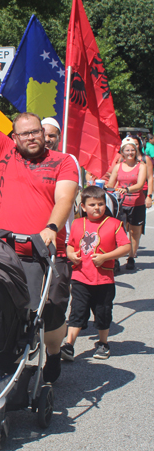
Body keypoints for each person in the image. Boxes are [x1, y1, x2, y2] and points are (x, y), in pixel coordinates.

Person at [0, 53, 79, 383]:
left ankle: (52, 354)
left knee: (50, 318)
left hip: (48, 253)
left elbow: (65, 198)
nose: (32, 137)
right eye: (25, 133)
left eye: (37, 132)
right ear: (15, 137)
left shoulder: (63, 161)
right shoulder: (4, 152)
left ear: (43, 133)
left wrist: (51, 227)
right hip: (7, 252)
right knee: (6, 313)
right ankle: (7, 360)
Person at [61, 186, 130, 361]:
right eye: (92, 204)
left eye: (100, 204)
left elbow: (126, 247)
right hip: (80, 277)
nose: (96, 208)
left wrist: (106, 257)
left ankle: (103, 342)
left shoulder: (114, 224)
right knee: (77, 311)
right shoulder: (77, 224)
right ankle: (69, 345)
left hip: (104, 279)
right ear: (83, 206)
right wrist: (70, 254)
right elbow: (70, 244)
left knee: (103, 312)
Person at [106, 137, 147, 270]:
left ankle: (131, 257)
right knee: (119, 232)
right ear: (122, 152)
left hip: (137, 203)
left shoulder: (142, 166)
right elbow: (111, 184)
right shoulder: (118, 166)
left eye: (132, 150)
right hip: (121, 204)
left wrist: (127, 189)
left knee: (135, 232)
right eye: (127, 150)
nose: (130, 153)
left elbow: (140, 185)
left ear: (136, 151)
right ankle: (116, 259)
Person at [41, 117, 83, 240]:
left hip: (62, 233)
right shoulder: (29, 162)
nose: (47, 139)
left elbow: (71, 195)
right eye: (44, 135)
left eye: (51, 136)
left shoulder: (69, 160)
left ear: (59, 137)